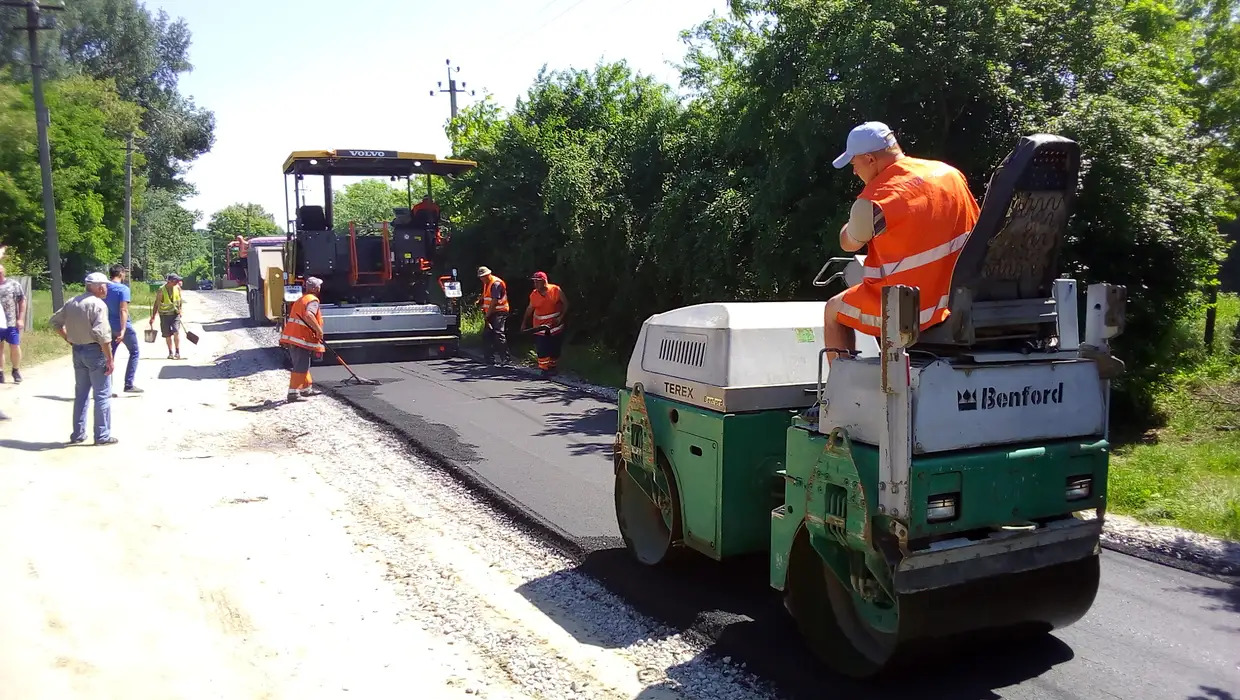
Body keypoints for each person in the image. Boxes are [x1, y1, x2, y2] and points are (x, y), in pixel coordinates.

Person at [822, 121, 980, 365]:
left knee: (833, 309)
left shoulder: (876, 200)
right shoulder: (949, 173)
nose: (854, 172)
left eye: (854, 164)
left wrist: (851, 223)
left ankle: (838, 394)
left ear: (870, 159)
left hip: (912, 309)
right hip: (961, 298)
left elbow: (849, 243)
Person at [49, 272, 117, 446]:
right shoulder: (98, 305)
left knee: (81, 394)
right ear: (98, 287)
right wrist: (110, 359)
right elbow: (103, 335)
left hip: (77, 351)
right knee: (102, 394)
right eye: (104, 285)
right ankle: (102, 435)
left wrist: (68, 338)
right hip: (95, 351)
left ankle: (78, 433)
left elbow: (55, 322)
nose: (106, 288)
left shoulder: (72, 302)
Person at [279, 276, 325, 402]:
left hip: (294, 337)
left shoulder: (302, 299)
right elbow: (309, 315)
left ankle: (306, 389)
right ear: (315, 288)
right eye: (319, 285)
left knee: (304, 364)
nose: (320, 287)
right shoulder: (313, 300)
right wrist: (319, 330)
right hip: (300, 338)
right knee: (300, 365)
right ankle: (293, 393)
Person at [104, 264, 143, 394]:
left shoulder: (104, 288)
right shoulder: (123, 289)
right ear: (121, 274)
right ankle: (129, 384)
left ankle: (107, 388)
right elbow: (123, 309)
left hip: (107, 327)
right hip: (121, 327)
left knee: (109, 356)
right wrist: (123, 329)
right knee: (134, 352)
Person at [521, 271, 568, 377]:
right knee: (542, 348)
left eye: (537, 282)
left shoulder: (556, 290)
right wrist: (524, 323)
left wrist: (561, 317)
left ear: (544, 282)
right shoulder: (534, 294)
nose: (535, 284)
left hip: (555, 326)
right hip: (540, 328)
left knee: (555, 348)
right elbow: (529, 309)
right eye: (534, 282)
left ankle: (552, 368)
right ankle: (544, 369)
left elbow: (566, 304)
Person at [476, 266, 510, 365]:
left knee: (498, 333)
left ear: (488, 274)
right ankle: (489, 359)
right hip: (491, 312)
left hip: (499, 311)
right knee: (486, 335)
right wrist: (480, 300)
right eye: (481, 277)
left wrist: (487, 315)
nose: (482, 278)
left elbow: (494, 301)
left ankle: (505, 358)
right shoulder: (487, 283)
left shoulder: (496, 284)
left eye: (483, 276)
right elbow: (486, 295)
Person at [0, 264, 27, 384]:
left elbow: (22, 301)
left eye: (0, 271)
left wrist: (20, 318)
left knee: (14, 346)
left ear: (4, 272)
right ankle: (0, 372)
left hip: (11, 322)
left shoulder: (13, 284)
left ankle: (15, 370)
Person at [149, 273, 184, 359]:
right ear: (170, 281)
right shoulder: (161, 290)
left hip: (175, 314)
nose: (177, 282)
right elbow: (156, 304)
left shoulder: (177, 288)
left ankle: (177, 352)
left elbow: (180, 300)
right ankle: (170, 352)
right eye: (175, 280)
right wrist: (153, 317)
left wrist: (180, 310)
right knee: (167, 334)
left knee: (176, 331)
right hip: (164, 315)